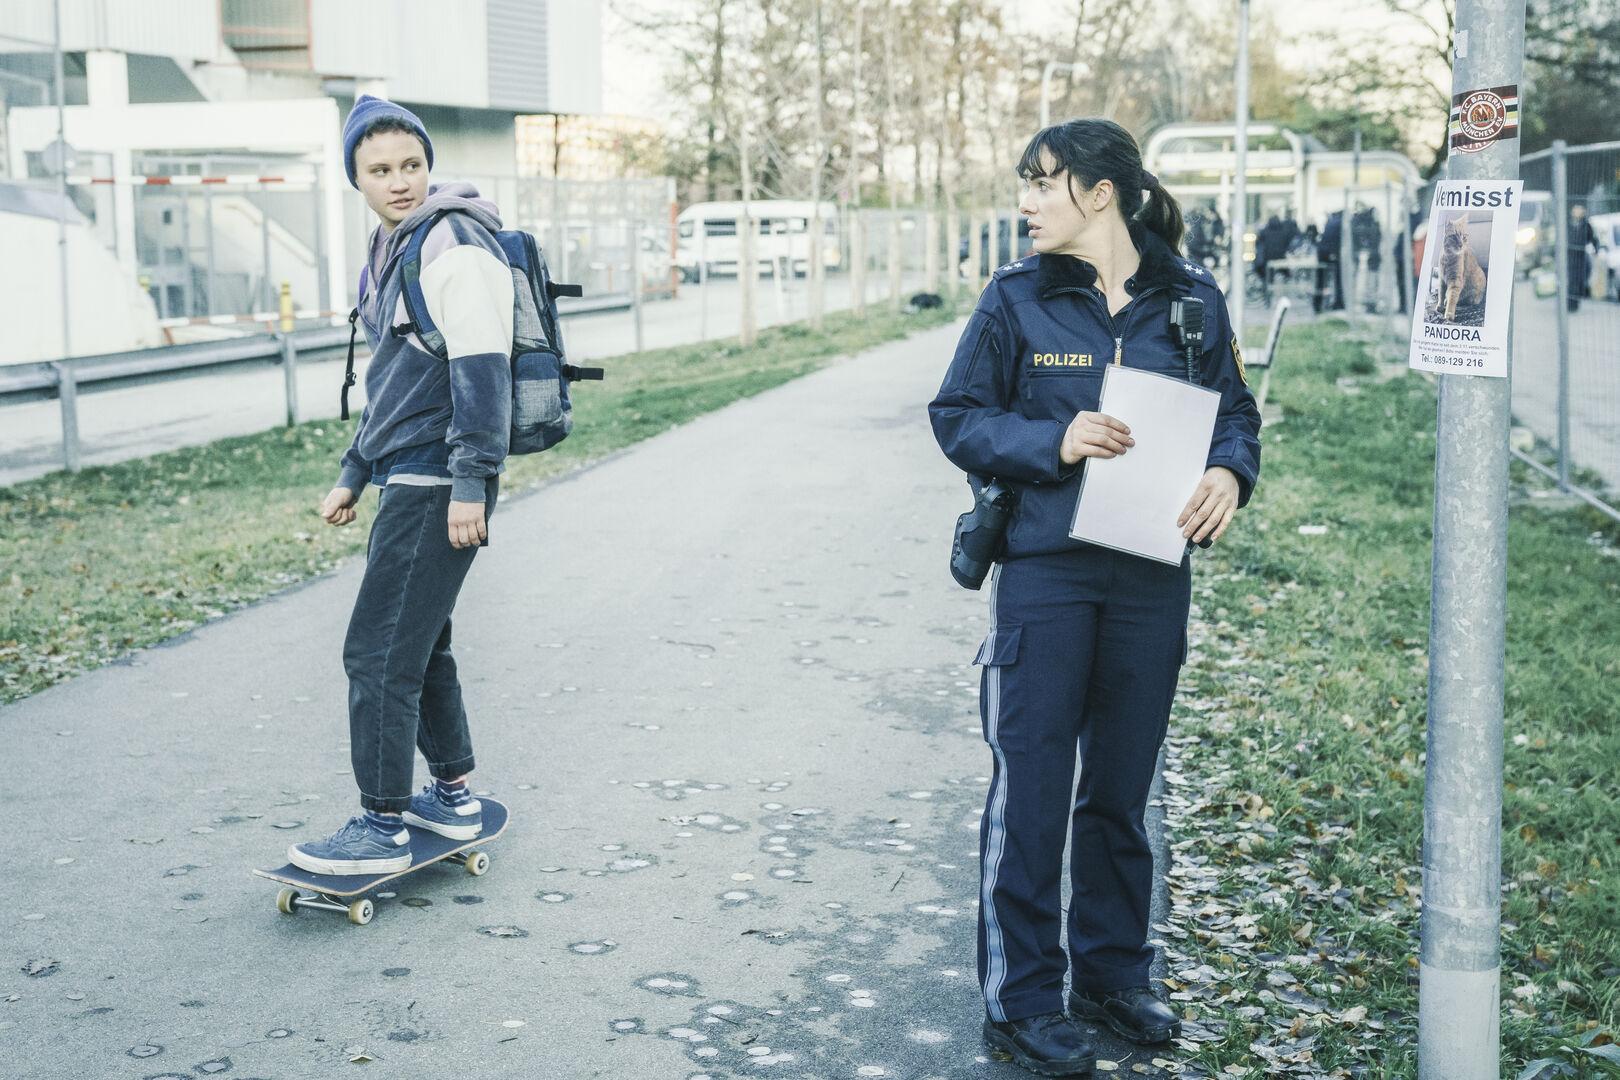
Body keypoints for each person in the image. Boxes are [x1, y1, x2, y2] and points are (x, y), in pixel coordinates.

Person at [929, 118, 1261, 1076]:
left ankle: (1113, 974)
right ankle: (1024, 997)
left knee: (1121, 790)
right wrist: (1055, 441)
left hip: (1152, 577)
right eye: (1025, 184)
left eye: (1043, 183)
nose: (1025, 202)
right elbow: (958, 418)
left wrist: (1230, 474)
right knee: (1032, 788)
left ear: (1101, 192)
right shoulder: (1016, 298)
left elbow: (1235, 415)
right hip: (1046, 575)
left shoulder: (1191, 300)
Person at [287, 95, 515, 876]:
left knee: (377, 653)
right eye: (380, 169)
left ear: (428, 166)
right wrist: (354, 471)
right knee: (420, 642)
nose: (400, 180)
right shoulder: (391, 249)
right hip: (408, 474)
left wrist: (471, 482)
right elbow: (391, 379)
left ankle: (380, 825)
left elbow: (483, 371)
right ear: (355, 178)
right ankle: (450, 796)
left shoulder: (453, 243)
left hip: (438, 480)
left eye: (412, 164)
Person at [1569, 204, 1595, 313]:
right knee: (1570, 280)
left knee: (1578, 280)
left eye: (1578, 210)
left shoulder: (1586, 225)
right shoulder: (1569, 223)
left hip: (1580, 256)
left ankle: (1575, 302)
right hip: (1570, 256)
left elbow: (1592, 238)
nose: (1575, 212)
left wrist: (1594, 249)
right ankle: (1570, 302)